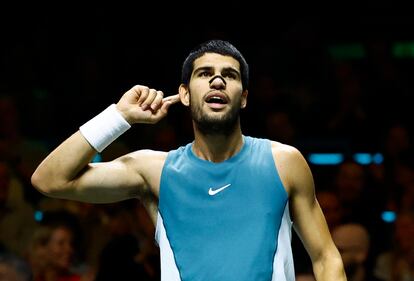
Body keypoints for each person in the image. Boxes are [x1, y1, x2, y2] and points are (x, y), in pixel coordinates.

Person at [31, 39, 346, 281]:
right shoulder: (153, 171)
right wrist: (120, 116)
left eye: (230, 75)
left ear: (244, 97)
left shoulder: (284, 162)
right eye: (205, 74)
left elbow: (326, 258)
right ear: (184, 94)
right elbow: (50, 180)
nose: (218, 81)